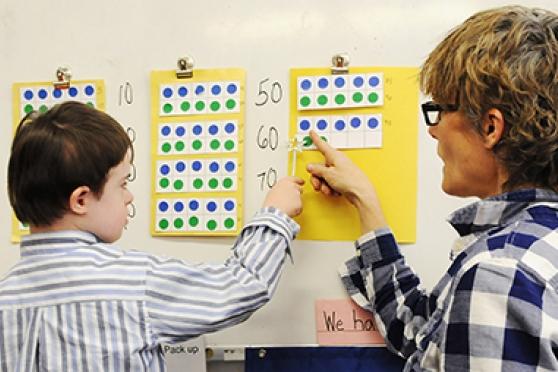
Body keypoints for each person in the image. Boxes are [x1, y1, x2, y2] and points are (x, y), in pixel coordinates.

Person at [306, 5, 558, 371]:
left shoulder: (499, 274)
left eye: (440, 110)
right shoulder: (537, 246)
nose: (433, 129)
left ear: (491, 128)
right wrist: (366, 202)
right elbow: (421, 333)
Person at [0, 101, 304, 371]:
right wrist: (275, 213)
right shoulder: (132, 282)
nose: (129, 196)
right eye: (122, 183)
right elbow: (240, 286)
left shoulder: (6, 299)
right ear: (81, 200)